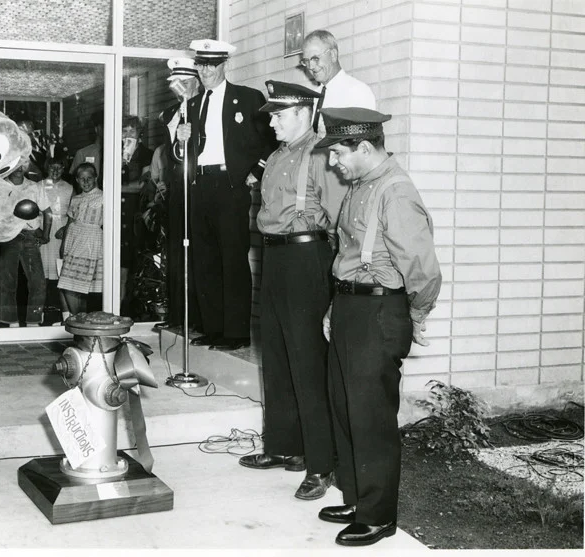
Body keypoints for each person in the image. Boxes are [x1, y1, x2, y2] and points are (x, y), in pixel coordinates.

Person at [316, 107, 441, 547]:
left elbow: (422, 270)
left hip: (379, 312)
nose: (333, 163)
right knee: (345, 408)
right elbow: (348, 254)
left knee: (371, 416)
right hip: (350, 308)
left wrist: (415, 315)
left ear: (365, 147)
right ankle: (356, 497)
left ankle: (378, 514)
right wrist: (335, 307)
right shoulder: (361, 185)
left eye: (338, 153)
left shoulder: (396, 192)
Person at [238, 81, 334, 503]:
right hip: (274, 257)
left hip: (306, 258)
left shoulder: (321, 155)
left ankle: (320, 464)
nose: (272, 123)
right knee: (276, 354)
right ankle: (283, 446)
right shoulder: (277, 156)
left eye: (278, 115)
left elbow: (339, 219)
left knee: (308, 361)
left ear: (302, 113)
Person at [175, 39, 275, 351]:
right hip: (200, 184)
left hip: (230, 185)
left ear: (224, 65)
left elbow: (271, 140)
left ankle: (235, 332)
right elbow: (181, 155)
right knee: (204, 258)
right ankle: (213, 328)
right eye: (201, 65)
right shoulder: (192, 105)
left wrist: (255, 172)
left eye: (212, 65)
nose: (205, 71)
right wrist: (180, 141)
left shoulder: (247, 98)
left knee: (232, 257)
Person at [301, 29, 376, 229]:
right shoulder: (314, 96)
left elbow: (364, 146)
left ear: (333, 54)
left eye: (315, 58)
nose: (311, 67)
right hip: (315, 183)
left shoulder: (357, 91)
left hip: (343, 181)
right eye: (306, 61)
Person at [152, 57, 202, 331]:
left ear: (196, 82)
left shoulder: (203, 107)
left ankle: (195, 317)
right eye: (174, 83)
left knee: (196, 253)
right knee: (175, 252)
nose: (177, 88)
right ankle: (177, 315)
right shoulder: (170, 113)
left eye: (183, 82)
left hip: (197, 188)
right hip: (176, 189)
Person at [0, 166, 52, 327]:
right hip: (8, 237)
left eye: (23, 164)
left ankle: (33, 321)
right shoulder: (1, 185)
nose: (19, 168)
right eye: (16, 164)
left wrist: (46, 235)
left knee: (38, 282)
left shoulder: (34, 187)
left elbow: (48, 212)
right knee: (7, 281)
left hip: (30, 237)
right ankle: (10, 320)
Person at [57, 162, 103, 315]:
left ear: (95, 178)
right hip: (74, 240)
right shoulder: (76, 198)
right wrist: (63, 245)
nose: (86, 182)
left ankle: (81, 317)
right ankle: (77, 317)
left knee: (82, 284)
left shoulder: (103, 197)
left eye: (89, 178)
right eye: (82, 179)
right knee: (69, 283)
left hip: (91, 241)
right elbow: (70, 222)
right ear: (77, 180)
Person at [119, 115, 153, 316]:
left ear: (140, 133)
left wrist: (117, 187)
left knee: (133, 265)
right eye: (124, 130)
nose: (128, 134)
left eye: (132, 130)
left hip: (135, 216)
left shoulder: (147, 154)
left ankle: (130, 309)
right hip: (117, 215)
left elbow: (142, 185)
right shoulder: (113, 152)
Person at [38, 156, 74, 324]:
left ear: (63, 169)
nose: (55, 171)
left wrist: (66, 228)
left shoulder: (69, 187)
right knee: (41, 277)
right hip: (44, 231)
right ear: (47, 168)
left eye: (59, 168)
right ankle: (39, 314)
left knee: (62, 275)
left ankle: (66, 315)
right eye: (52, 167)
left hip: (61, 232)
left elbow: (74, 212)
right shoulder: (39, 186)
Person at [69, 110, 103, 180]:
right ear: (97, 129)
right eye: (103, 127)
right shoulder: (82, 153)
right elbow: (74, 179)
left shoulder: (116, 154)